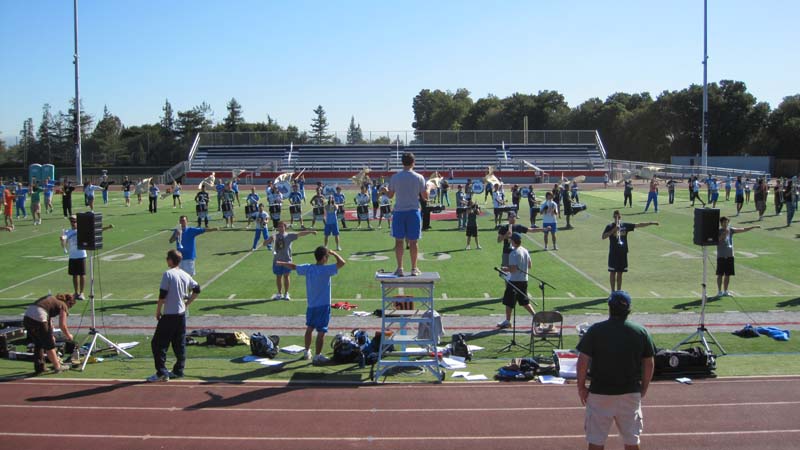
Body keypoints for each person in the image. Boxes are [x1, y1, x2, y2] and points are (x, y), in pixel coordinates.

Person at [576, 290, 655, 450]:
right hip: (630, 393)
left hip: (600, 393)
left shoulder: (595, 330)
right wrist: (644, 387)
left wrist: (581, 387)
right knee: (632, 441)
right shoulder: (640, 332)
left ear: (609, 308)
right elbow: (649, 363)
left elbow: (582, 360)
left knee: (596, 441)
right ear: (628, 310)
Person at [276, 246, 346, 364]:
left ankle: (307, 351)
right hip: (323, 306)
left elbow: (293, 266)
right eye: (327, 256)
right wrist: (334, 253)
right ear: (324, 258)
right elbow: (342, 262)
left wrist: (282, 263)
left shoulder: (308, 268)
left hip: (311, 305)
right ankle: (318, 356)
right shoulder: (326, 270)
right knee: (321, 332)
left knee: (309, 329)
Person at [148, 249, 201, 382]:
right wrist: (187, 303)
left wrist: (158, 310)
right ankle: (178, 370)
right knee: (179, 344)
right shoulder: (184, 274)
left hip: (169, 314)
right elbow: (197, 289)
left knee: (158, 344)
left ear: (171, 260)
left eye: (167, 258)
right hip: (181, 315)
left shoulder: (168, 274)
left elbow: (162, 294)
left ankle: (161, 372)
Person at [387, 152, 427, 276]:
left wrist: (384, 190)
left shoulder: (395, 177)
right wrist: (430, 188)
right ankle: (414, 269)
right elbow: (425, 197)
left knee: (399, 241)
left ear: (402, 162)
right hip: (413, 212)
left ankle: (400, 268)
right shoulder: (419, 177)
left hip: (399, 212)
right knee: (414, 242)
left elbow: (390, 195)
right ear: (413, 162)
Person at [602, 210, 659, 291]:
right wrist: (613, 230)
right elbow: (603, 237)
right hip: (613, 253)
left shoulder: (625, 225)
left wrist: (651, 223)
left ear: (620, 217)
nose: (617, 218)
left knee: (620, 273)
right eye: (615, 217)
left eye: (618, 217)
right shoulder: (610, 226)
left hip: (623, 253)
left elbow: (638, 225)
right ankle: (612, 292)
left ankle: (618, 292)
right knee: (612, 272)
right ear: (613, 217)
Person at [61, 215, 112, 299]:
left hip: (81, 255)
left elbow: (95, 231)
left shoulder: (82, 230)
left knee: (82, 274)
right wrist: (62, 240)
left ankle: (81, 293)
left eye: (75, 221)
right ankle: (76, 292)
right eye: (72, 222)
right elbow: (64, 244)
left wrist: (107, 227)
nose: (73, 223)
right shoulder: (67, 232)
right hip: (72, 256)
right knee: (74, 275)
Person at [23, 293, 75, 374]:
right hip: (39, 318)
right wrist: (69, 336)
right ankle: (58, 367)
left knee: (38, 343)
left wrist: (51, 335)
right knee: (49, 345)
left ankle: (40, 368)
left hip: (27, 318)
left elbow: (49, 322)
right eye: (70, 306)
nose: (69, 308)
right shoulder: (63, 305)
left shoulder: (52, 300)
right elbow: (62, 325)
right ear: (68, 302)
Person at [264, 221, 316, 300]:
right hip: (277, 261)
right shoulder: (274, 236)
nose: (280, 228)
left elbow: (300, 234)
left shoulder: (289, 235)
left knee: (286, 276)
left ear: (285, 227)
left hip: (287, 260)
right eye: (279, 226)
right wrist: (269, 239)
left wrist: (310, 232)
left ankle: (286, 294)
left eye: (282, 226)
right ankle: (279, 293)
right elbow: (264, 244)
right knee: (278, 277)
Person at [497, 233, 534, 329]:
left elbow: (513, 270)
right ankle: (536, 317)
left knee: (508, 302)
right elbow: (530, 265)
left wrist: (505, 269)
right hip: (524, 280)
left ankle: (508, 321)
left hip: (514, 281)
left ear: (513, 241)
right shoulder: (525, 250)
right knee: (525, 302)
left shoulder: (513, 253)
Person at [715, 217, 760, 298]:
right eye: (724, 222)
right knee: (720, 274)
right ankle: (719, 291)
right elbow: (717, 241)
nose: (726, 224)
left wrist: (752, 227)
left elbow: (742, 229)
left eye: (727, 222)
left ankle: (725, 291)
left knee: (728, 275)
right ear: (721, 223)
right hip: (721, 255)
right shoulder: (718, 231)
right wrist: (723, 234)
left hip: (730, 255)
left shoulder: (731, 230)